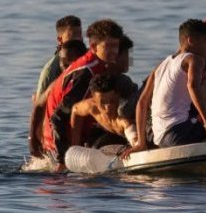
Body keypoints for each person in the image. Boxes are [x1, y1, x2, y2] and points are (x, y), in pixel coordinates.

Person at [124, 19, 206, 157]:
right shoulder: (194, 59)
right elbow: (193, 86)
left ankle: (205, 144)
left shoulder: (161, 65)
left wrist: (141, 143)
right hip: (178, 133)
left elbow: (142, 103)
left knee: (197, 117)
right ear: (190, 40)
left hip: (159, 137)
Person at [41, 19, 124, 169]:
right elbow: (57, 117)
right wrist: (62, 160)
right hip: (58, 148)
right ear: (93, 46)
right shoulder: (86, 72)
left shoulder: (101, 66)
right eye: (108, 46)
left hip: (78, 137)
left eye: (116, 46)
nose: (114, 52)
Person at [27, 39, 87, 157]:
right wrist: (33, 141)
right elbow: (39, 105)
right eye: (63, 64)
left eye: (71, 63)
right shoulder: (56, 84)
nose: (68, 68)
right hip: (57, 147)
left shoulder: (88, 79)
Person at [70, 73, 140, 148]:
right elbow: (75, 109)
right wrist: (75, 146)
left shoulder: (124, 117)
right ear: (93, 98)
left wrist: (136, 144)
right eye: (103, 102)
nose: (108, 107)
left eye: (112, 101)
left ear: (118, 95)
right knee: (94, 143)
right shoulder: (91, 107)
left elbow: (131, 131)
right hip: (110, 134)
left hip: (134, 131)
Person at [34, 15, 82, 100]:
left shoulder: (88, 60)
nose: (78, 39)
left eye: (80, 34)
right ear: (60, 39)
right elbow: (39, 102)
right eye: (73, 35)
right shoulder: (51, 70)